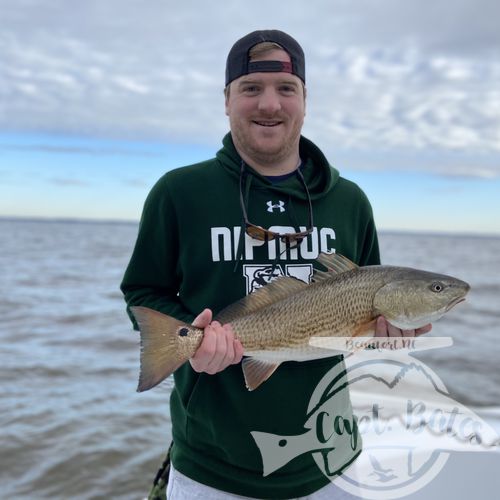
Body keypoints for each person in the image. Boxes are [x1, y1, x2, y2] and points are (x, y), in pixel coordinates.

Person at [121, 29, 431, 500]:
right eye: (251, 88)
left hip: (330, 458)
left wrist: (388, 336)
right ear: (226, 99)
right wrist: (194, 336)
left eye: (286, 89)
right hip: (211, 466)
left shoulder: (349, 202)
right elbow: (143, 292)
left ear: (305, 100)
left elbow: (360, 317)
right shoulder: (179, 193)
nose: (270, 104)